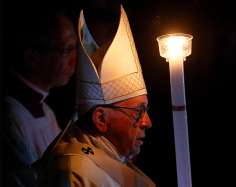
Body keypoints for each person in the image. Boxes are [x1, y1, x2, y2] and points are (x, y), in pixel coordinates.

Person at [36, 4, 156, 187]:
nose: (147, 122)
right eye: (138, 111)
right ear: (101, 118)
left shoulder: (106, 158)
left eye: (145, 110)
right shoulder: (74, 172)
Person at [0, 1, 78, 186]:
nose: (75, 60)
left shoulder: (46, 111)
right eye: (67, 50)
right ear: (33, 57)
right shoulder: (11, 118)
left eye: (75, 48)